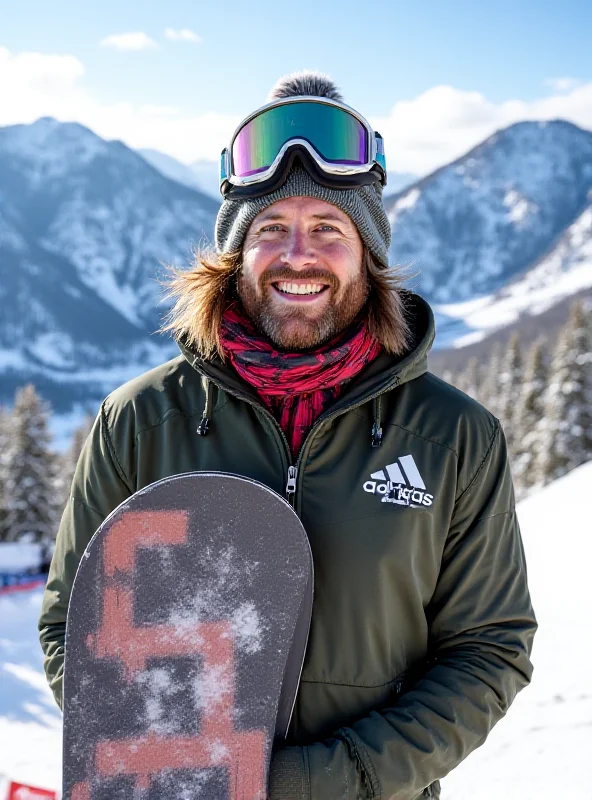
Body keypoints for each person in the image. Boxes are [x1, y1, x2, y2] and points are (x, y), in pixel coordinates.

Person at [39, 72, 537, 800]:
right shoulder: (140, 423)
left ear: (366, 253)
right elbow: (69, 629)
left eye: (328, 229)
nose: (297, 256)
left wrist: (317, 783)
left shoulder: (453, 438)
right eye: (271, 229)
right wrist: (183, 767)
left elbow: (488, 650)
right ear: (236, 253)